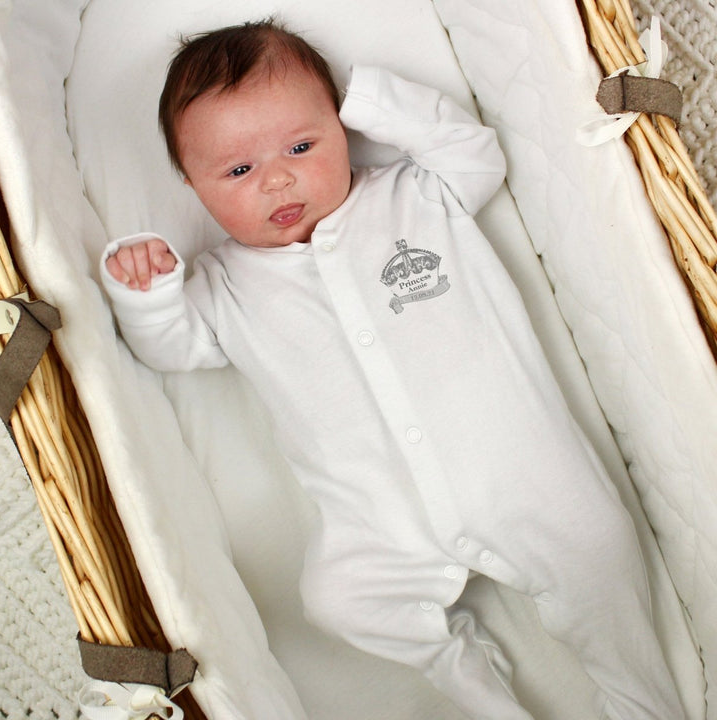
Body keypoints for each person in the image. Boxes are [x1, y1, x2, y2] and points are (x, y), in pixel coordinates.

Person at [101, 19, 685, 720]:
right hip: (378, 519)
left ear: (341, 127)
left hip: (521, 474)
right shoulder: (223, 287)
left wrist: (373, 98)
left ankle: (644, 701)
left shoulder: (416, 195)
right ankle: (465, 674)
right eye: (237, 171)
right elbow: (170, 348)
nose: (277, 178)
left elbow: (476, 153)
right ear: (193, 186)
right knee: (338, 598)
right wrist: (148, 292)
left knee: (598, 550)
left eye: (301, 146)